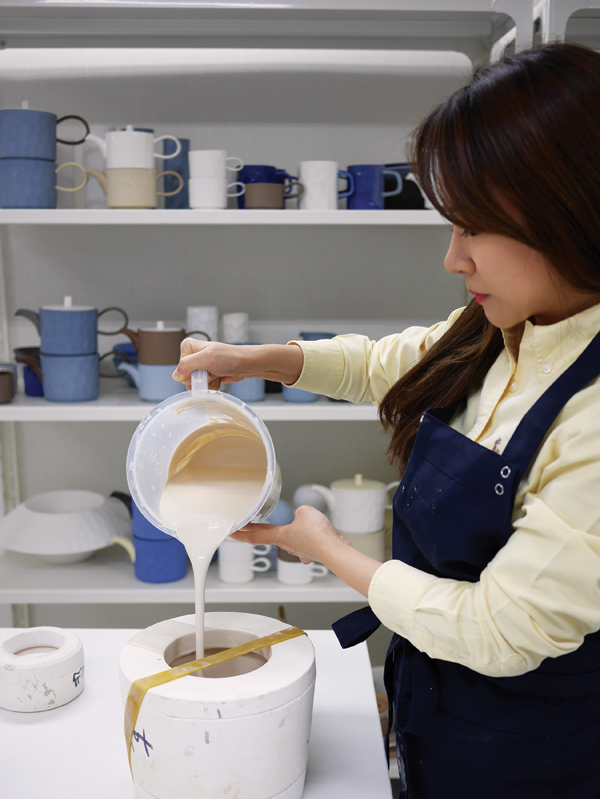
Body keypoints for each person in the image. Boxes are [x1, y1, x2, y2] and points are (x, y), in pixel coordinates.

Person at [172, 42, 600, 798]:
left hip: (532, 755)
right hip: (436, 705)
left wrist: (330, 551)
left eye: (472, 227)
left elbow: (500, 628)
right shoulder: (507, 326)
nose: (452, 258)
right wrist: (256, 359)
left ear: (567, 209)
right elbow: (389, 364)